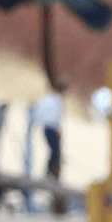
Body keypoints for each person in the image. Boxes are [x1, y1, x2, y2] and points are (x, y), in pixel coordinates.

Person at [34, 84, 66, 215]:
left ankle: (50, 172)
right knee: (55, 152)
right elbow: (57, 115)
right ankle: (50, 173)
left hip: (46, 126)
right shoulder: (55, 100)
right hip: (52, 127)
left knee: (53, 152)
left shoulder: (46, 99)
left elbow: (39, 113)